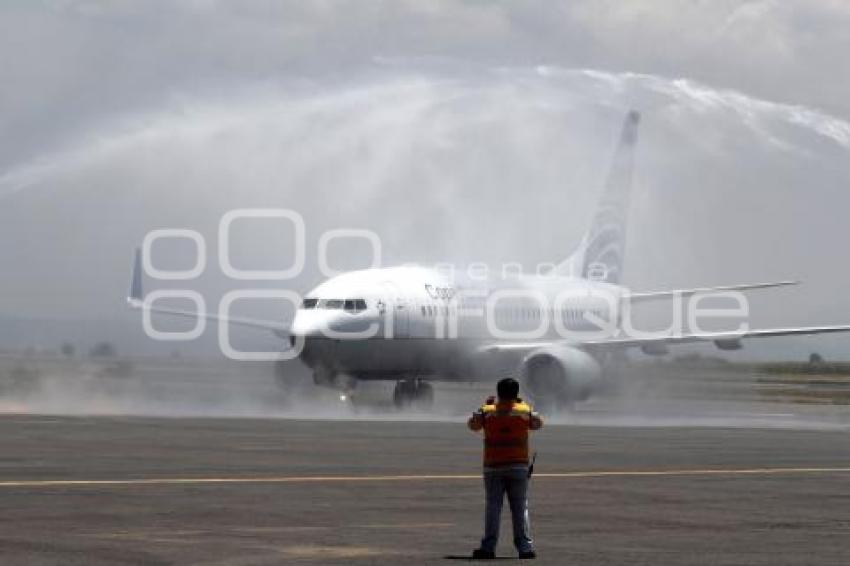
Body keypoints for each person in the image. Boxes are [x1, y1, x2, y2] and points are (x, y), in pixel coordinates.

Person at [467, 377, 543, 560]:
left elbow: (473, 425)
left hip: (493, 467)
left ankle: (488, 548)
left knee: (493, 507)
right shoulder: (524, 412)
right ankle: (525, 548)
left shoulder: (488, 412)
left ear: (498, 392)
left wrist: (485, 405)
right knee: (520, 507)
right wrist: (522, 404)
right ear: (516, 394)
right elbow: (538, 423)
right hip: (518, 467)